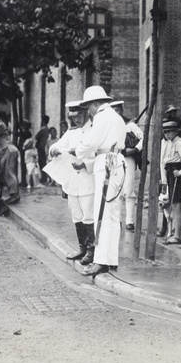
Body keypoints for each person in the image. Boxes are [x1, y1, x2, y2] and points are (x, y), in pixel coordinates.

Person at [74, 86, 126, 276]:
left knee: (101, 215)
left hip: (107, 165)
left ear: (95, 104)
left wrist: (78, 149)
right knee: (112, 215)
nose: (88, 111)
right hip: (117, 163)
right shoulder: (116, 117)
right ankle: (111, 259)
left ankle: (101, 260)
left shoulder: (103, 117)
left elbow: (91, 142)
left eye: (88, 106)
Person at [49, 101, 96, 264]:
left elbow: (100, 156)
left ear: (86, 113)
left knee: (88, 216)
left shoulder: (94, 131)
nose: (76, 120)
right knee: (76, 216)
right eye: (73, 117)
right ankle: (82, 248)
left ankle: (91, 251)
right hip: (72, 182)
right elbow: (58, 145)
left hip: (87, 180)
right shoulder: (72, 133)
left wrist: (85, 164)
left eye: (79, 116)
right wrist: (53, 150)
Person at [110, 100, 144, 231]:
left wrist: (135, 149)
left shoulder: (130, 125)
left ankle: (129, 221)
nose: (116, 114)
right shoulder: (110, 127)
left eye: (117, 110)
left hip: (128, 159)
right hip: (114, 158)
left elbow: (143, 137)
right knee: (115, 190)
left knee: (128, 190)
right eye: (113, 111)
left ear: (122, 111)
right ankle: (117, 220)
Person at [160, 120, 181, 244]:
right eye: (165, 132)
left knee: (176, 204)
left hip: (175, 172)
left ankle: (178, 235)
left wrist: (180, 172)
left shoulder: (178, 142)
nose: (167, 134)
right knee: (174, 203)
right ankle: (177, 233)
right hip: (169, 172)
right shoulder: (169, 142)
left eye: (170, 132)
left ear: (176, 132)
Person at [35, 115, 50, 183]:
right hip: (42, 147)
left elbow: (36, 136)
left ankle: (44, 178)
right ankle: (44, 177)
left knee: (42, 163)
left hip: (41, 148)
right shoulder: (46, 129)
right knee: (42, 162)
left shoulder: (43, 129)